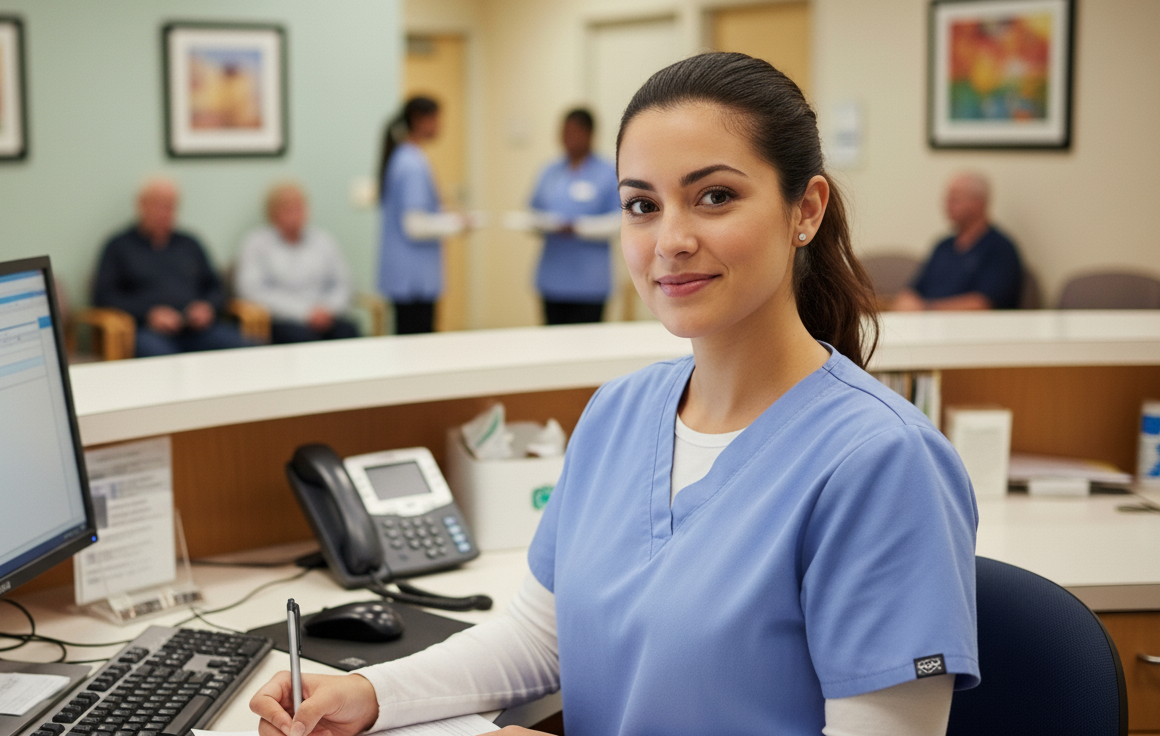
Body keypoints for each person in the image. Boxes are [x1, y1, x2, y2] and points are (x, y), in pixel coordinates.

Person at [251, 53, 978, 736]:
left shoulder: (882, 463)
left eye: (715, 197)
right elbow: (541, 639)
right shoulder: (618, 414)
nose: (671, 239)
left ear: (806, 210)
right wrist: (375, 695)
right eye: (641, 205)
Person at [92, 177, 255, 358]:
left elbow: (216, 288)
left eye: (171, 206)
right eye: (159, 205)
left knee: (250, 349)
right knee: (164, 360)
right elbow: (104, 296)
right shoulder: (119, 246)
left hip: (198, 330)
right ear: (141, 205)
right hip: (148, 331)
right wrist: (148, 313)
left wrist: (207, 307)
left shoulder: (190, 243)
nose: (165, 212)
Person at [376, 96, 469, 334]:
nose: (441, 126)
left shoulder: (403, 158)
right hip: (414, 280)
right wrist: (456, 224)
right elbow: (415, 226)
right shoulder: (412, 164)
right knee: (417, 346)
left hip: (407, 276)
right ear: (419, 120)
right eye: (436, 119)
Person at [527, 108, 622, 324]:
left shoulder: (607, 172)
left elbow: (621, 221)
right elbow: (534, 211)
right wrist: (540, 223)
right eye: (563, 132)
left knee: (589, 345)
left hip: (590, 281)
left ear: (589, 134)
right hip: (552, 277)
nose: (566, 138)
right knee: (553, 343)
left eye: (573, 132)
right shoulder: (550, 171)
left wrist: (579, 228)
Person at [235, 182, 360, 343]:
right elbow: (252, 290)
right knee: (302, 338)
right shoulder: (256, 244)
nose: (295, 214)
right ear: (272, 213)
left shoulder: (323, 241)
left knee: (349, 332)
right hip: (284, 319)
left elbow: (344, 282)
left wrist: (328, 309)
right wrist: (305, 312)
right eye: (288, 209)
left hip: (326, 315)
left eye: (300, 207)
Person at [893, 171, 1023, 310]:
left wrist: (926, 309)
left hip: (973, 328)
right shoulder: (942, 246)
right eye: (947, 198)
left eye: (955, 199)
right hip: (928, 326)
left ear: (979, 203)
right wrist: (904, 302)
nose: (947, 204)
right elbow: (912, 291)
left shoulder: (1000, 248)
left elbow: (982, 304)